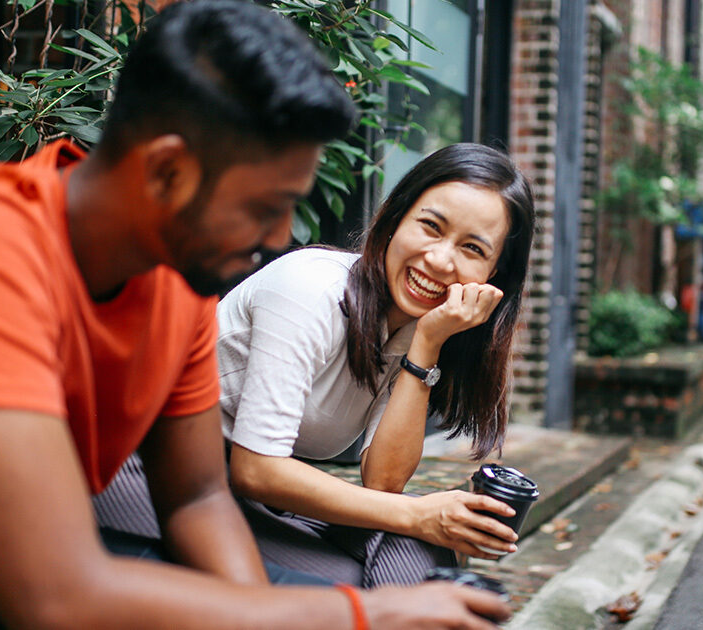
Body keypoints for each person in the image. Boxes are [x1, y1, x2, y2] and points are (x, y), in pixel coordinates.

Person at [0, 2, 509, 628]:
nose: (277, 239)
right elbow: (56, 599)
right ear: (166, 173)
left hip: (18, 567)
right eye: (264, 208)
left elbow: (198, 501)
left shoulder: (178, 283)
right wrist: (361, 618)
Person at [96, 143, 536, 587]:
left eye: (472, 249)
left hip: (236, 498)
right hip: (149, 474)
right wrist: (422, 513)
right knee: (363, 582)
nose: (440, 260)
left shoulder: (423, 326)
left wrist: (426, 345)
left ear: (493, 275)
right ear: (396, 216)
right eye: (430, 226)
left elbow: (382, 484)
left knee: (417, 556)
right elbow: (257, 470)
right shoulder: (308, 289)